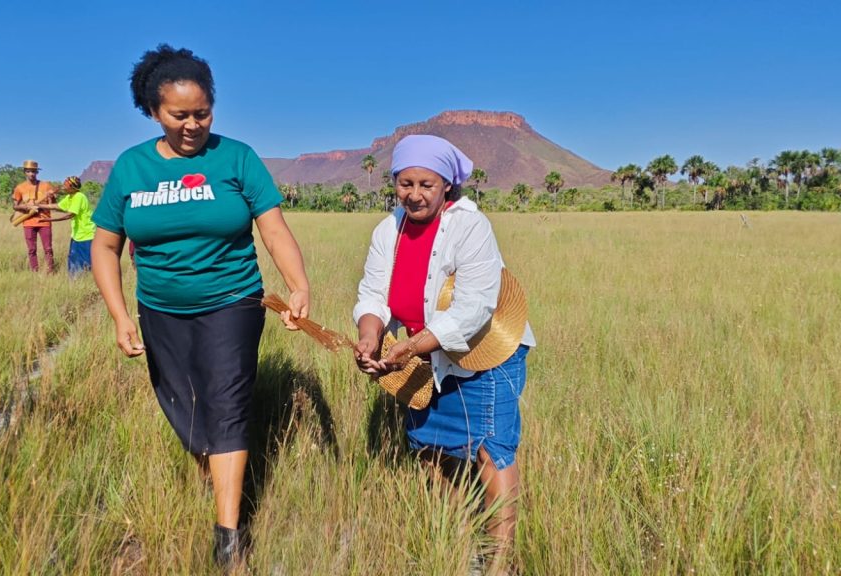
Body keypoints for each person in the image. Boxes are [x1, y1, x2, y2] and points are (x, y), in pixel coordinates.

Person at [91, 44, 310, 569]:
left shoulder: (236, 157)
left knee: (226, 401)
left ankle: (228, 535)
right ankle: (214, 477)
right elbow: (104, 246)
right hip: (160, 308)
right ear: (152, 111)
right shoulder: (131, 168)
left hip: (232, 300)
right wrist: (121, 315)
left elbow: (273, 229)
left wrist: (298, 284)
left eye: (202, 113)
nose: (193, 125)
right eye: (179, 115)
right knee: (184, 408)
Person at [353, 135, 535, 570]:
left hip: (484, 355)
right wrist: (369, 336)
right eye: (404, 183)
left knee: (491, 451)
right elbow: (373, 294)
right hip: (426, 355)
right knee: (432, 448)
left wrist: (409, 348)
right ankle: (454, 542)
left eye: (426, 184)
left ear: (446, 187)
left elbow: (474, 309)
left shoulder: (470, 227)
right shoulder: (388, 230)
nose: (414, 194)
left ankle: (496, 560)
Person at [36, 176, 95, 275]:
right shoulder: (70, 197)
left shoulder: (79, 197)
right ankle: (74, 282)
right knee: (73, 258)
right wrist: (38, 205)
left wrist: (50, 219)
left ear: (72, 188)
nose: (64, 187)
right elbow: (57, 206)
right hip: (77, 235)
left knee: (86, 262)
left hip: (87, 235)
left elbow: (70, 215)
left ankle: (87, 282)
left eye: (66, 185)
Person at [12, 159, 57, 272]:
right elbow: (15, 206)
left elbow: (54, 204)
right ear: (25, 172)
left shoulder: (46, 185)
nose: (31, 174)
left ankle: (50, 271)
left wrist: (51, 197)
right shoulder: (20, 188)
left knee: (48, 248)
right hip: (28, 222)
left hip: (45, 221)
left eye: (33, 171)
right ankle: (34, 271)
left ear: (37, 172)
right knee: (31, 249)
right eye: (28, 171)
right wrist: (27, 207)